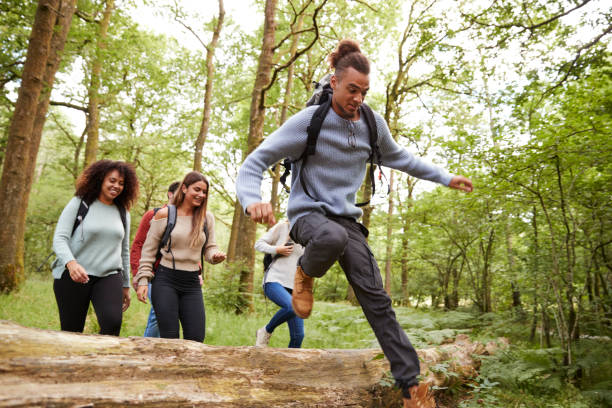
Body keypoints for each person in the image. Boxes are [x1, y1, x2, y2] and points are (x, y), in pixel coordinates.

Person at [236, 39, 473, 407]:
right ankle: (305, 272)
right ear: (334, 82)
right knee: (328, 236)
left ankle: (411, 388)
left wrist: (445, 177)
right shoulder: (309, 121)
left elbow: (403, 159)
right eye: (351, 89)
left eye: (364, 91)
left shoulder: (371, 125)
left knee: (377, 299)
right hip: (308, 218)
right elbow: (254, 162)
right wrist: (252, 199)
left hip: (347, 222)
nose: (358, 98)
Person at [134, 171, 226, 342]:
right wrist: (143, 280)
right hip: (165, 279)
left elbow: (210, 248)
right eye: (197, 190)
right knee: (170, 338)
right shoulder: (165, 214)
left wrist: (215, 256)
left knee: (196, 339)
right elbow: (148, 251)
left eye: (204, 192)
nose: (201, 195)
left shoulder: (207, 218)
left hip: (191, 282)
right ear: (184, 188)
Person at [52, 159, 139, 336]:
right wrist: (71, 263)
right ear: (100, 179)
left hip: (109, 275)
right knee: (71, 331)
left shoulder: (123, 212)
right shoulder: (79, 203)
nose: (116, 186)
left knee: (112, 323)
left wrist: (126, 285)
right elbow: (60, 238)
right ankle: (73, 363)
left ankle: (103, 361)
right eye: (112, 180)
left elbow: (123, 250)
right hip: (74, 275)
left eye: (121, 183)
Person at [130, 181, 180, 337]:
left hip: (176, 275)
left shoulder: (186, 218)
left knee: (164, 313)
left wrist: (198, 269)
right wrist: (137, 274)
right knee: (161, 311)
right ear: (170, 194)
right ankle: (147, 348)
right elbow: (138, 245)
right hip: (153, 274)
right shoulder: (153, 215)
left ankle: (156, 349)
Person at [254, 220, 305, 348]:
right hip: (274, 280)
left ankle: (290, 366)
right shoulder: (284, 226)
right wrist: (277, 249)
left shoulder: (312, 236)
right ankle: (266, 331)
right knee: (292, 306)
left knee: (298, 336)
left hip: (295, 287)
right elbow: (258, 244)